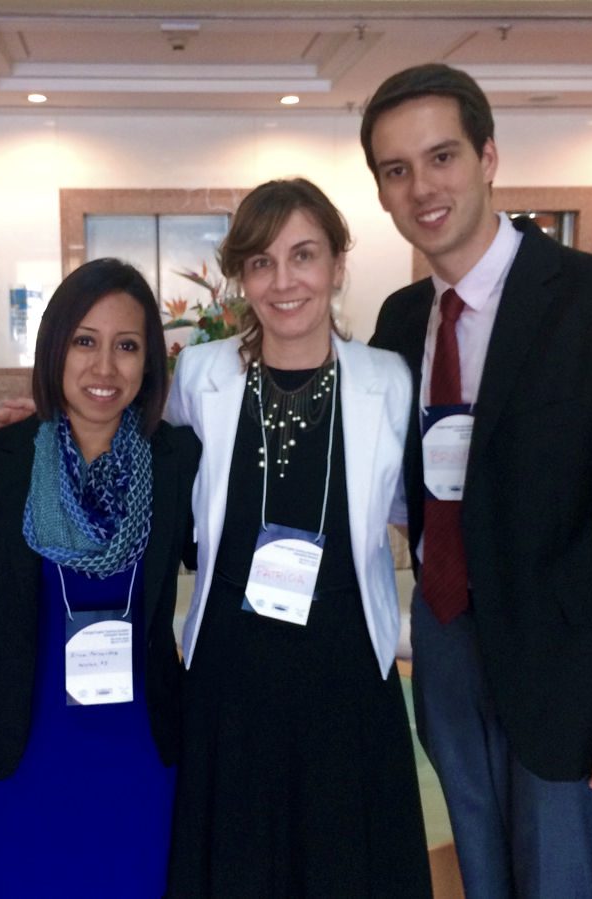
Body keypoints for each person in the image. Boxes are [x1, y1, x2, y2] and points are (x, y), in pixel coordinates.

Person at [363, 63, 592, 897]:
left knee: (555, 882)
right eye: (396, 170)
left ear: (489, 156)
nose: (422, 187)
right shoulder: (401, 319)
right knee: (481, 878)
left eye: (441, 157)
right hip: (445, 652)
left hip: (567, 673)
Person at [165, 178, 432, 897]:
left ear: (338, 265)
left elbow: (413, 507)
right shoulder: (198, 376)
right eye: (261, 262)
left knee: (346, 858)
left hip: (344, 666)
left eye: (304, 256)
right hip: (231, 663)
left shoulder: (390, 381)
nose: (284, 282)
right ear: (242, 277)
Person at [0, 258, 200, 898]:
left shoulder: (178, 460)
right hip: (26, 749)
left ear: (150, 360)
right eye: (84, 342)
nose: (104, 368)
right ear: (54, 349)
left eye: (126, 346)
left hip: (138, 754)